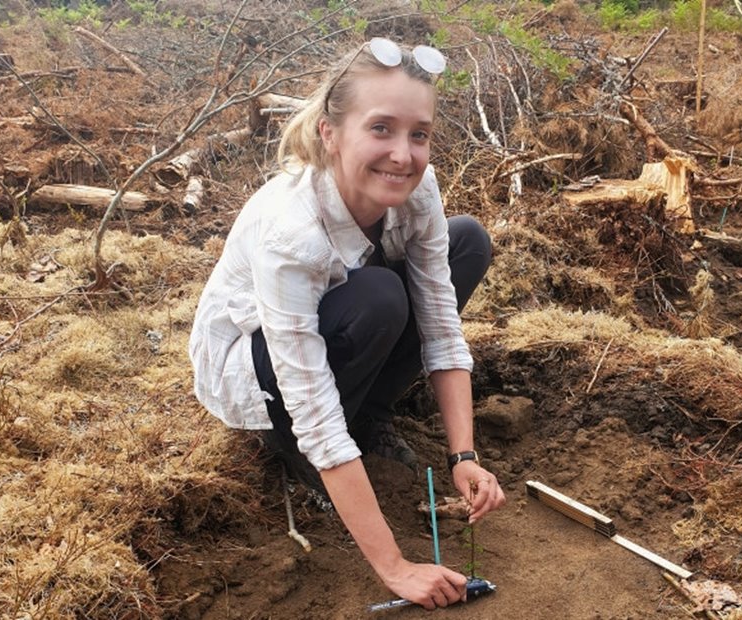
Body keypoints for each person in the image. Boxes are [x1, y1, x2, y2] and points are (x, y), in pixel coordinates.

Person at [189, 37, 506, 610]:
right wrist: (396, 567)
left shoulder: (417, 188)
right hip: (258, 366)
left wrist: (464, 455)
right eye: (380, 128)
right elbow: (312, 405)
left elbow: (440, 322)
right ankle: (289, 452)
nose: (403, 155)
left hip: (342, 317)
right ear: (330, 133)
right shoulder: (292, 233)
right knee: (380, 297)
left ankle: (369, 414)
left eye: (419, 134)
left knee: (467, 243)